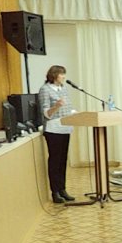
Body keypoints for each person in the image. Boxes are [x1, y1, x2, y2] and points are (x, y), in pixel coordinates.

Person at [38, 65, 76, 204]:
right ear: (54, 75)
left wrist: (76, 114)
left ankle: (62, 189)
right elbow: (46, 113)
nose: (64, 77)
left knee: (63, 160)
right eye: (61, 74)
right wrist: (56, 106)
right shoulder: (45, 89)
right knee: (55, 161)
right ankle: (55, 192)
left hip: (65, 127)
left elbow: (68, 108)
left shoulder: (64, 88)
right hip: (53, 129)